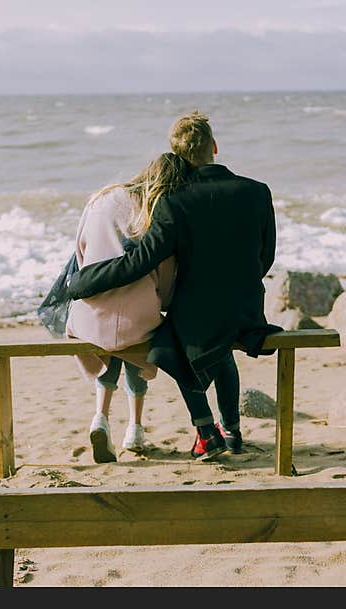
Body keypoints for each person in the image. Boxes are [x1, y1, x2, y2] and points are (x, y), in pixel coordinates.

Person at [67, 111, 278, 462]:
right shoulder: (256, 191)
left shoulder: (173, 201)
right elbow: (265, 257)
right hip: (247, 310)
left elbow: (141, 261)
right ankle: (233, 431)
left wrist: (84, 282)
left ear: (176, 153)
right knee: (222, 344)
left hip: (197, 315)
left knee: (167, 346)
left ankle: (206, 430)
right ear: (214, 146)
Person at [65, 152, 191, 463]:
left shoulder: (102, 198)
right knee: (139, 333)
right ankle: (135, 427)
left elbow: (80, 252)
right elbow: (164, 275)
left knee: (110, 342)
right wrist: (162, 299)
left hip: (89, 315)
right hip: (137, 318)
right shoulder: (153, 211)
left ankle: (100, 417)